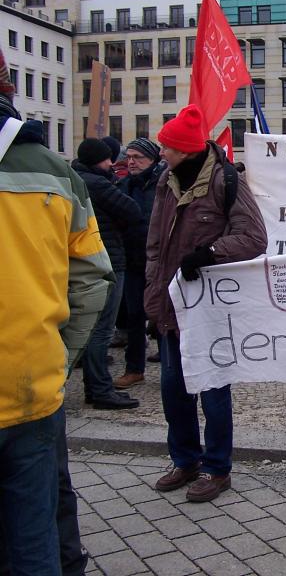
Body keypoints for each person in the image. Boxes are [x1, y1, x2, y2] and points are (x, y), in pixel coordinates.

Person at [0, 47, 113, 575]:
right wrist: (58, 355)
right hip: (31, 387)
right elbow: (92, 279)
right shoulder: (54, 172)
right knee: (32, 530)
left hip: (34, 390)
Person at [145, 104, 268, 503]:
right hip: (171, 307)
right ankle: (184, 460)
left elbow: (253, 238)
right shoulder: (166, 180)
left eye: (167, 147)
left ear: (185, 150)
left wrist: (210, 252)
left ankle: (217, 468)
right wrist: (153, 301)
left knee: (213, 390)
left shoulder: (226, 180)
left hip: (211, 310)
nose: (161, 153)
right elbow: (155, 247)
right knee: (173, 389)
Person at [72, 138, 142, 410]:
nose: (112, 164)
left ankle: (94, 387)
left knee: (88, 327)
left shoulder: (73, 178)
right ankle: (100, 390)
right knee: (101, 329)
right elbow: (132, 211)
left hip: (82, 262)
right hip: (108, 261)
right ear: (96, 160)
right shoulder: (97, 183)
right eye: (106, 159)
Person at [114, 138, 164, 390]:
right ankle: (134, 369)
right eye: (129, 157)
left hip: (161, 262)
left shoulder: (166, 184)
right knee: (134, 316)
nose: (131, 162)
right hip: (133, 260)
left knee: (165, 316)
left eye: (137, 157)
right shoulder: (122, 184)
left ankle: (170, 367)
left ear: (152, 159)